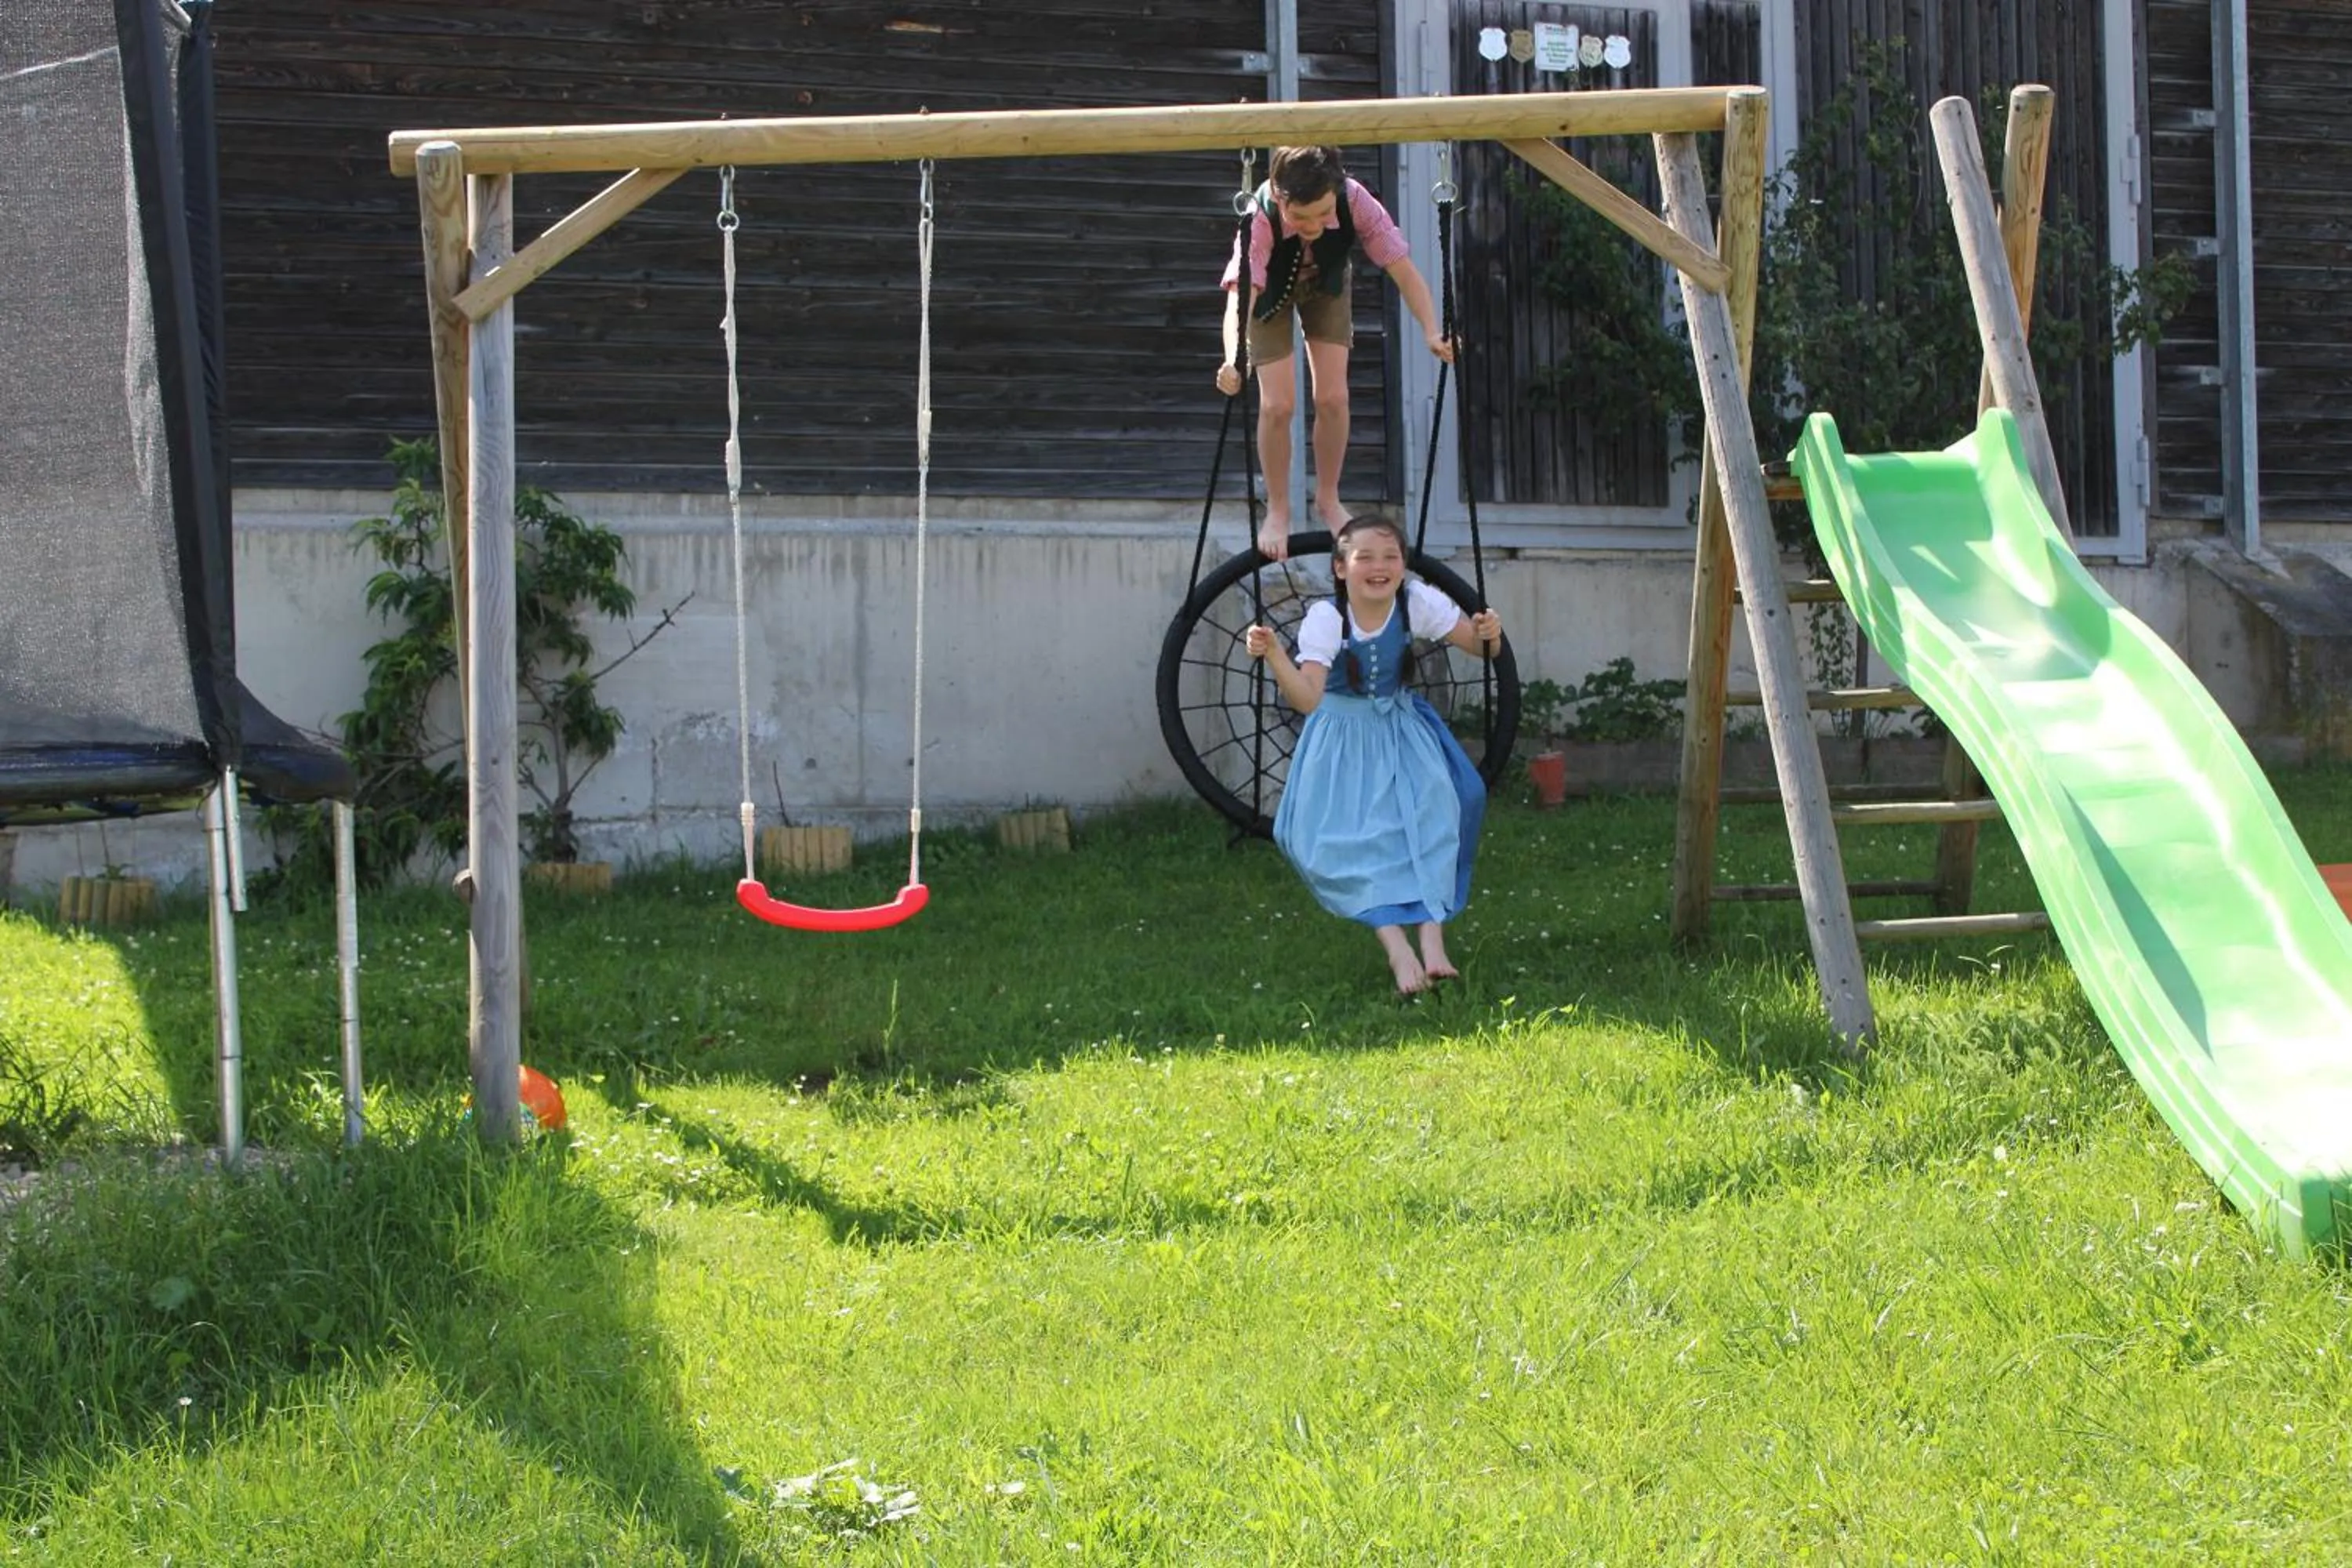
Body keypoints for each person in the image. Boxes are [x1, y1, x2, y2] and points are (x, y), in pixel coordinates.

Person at [1243, 514, 1502, 996]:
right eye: (1366, 557)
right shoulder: (1328, 619)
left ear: (1404, 566)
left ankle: (1433, 942)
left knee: (1435, 816)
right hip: (1342, 739)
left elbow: (1480, 648)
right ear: (1341, 568)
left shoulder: (1416, 602)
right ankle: (1398, 951)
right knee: (1356, 841)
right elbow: (1308, 700)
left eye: (1391, 557)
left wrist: (1490, 633)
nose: (1379, 567)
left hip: (1403, 731)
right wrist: (1275, 654)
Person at [1216, 145, 1455, 561]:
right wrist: (1234, 357)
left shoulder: (1355, 199)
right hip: (1267, 292)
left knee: (1333, 397)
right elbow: (1240, 298)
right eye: (1300, 216)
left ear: (1338, 189)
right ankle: (1278, 508)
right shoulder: (1259, 217)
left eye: (1323, 214)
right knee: (1277, 405)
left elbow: (1401, 267)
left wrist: (1433, 329)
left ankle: (1327, 498)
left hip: (1326, 285)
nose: (1313, 225)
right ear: (1278, 193)